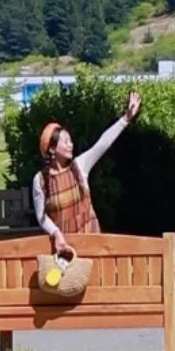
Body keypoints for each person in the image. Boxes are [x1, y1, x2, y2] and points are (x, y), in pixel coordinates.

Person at [32, 90, 141, 256]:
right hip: (63, 250)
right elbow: (42, 217)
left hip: (92, 244)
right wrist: (56, 233)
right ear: (52, 149)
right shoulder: (40, 180)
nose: (71, 145)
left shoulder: (79, 167)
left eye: (70, 140)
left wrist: (126, 118)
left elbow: (103, 143)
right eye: (65, 141)